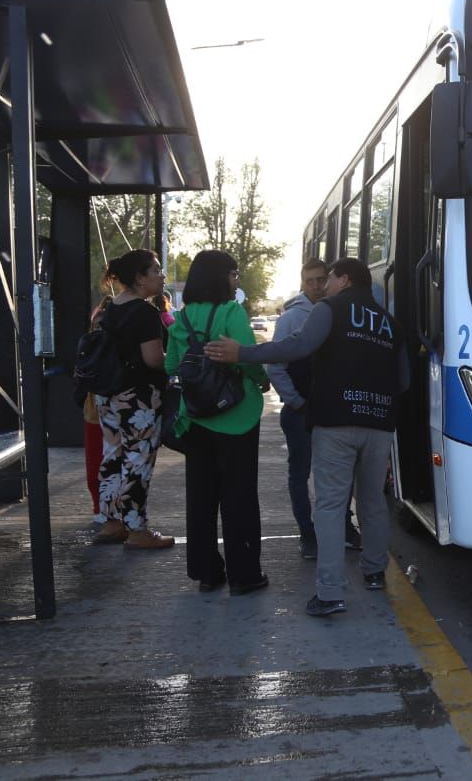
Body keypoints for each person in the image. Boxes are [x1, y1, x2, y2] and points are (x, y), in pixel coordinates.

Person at [206, 257, 408, 617]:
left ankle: (330, 594)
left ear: (344, 280)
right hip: (380, 424)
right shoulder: (391, 324)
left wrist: (244, 353)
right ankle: (375, 572)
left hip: (335, 421)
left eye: (329, 278)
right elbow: (404, 381)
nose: (325, 286)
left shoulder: (329, 309)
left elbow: (298, 346)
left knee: (330, 505)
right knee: (373, 502)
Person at [165, 250, 271, 595]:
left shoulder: (181, 318)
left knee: (201, 497)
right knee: (239, 497)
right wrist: (262, 380)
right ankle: (245, 575)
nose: (236, 279)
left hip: (194, 418)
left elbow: (170, 367)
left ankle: (207, 572)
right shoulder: (231, 311)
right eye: (234, 273)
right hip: (236, 418)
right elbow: (247, 357)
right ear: (221, 276)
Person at [266, 259, 363, 560]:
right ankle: (307, 535)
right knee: (301, 473)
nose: (318, 286)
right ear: (302, 282)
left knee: (339, 472)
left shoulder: (342, 313)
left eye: (322, 279)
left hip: (334, 412)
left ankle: (343, 526)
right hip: (301, 413)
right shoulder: (292, 318)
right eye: (311, 281)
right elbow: (275, 366)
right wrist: (296, 401)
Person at [91, 250, 173, 549]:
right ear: (140, 278)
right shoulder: (144, 312)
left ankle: (111, 523)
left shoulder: (109, 309)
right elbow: (153, 359)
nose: (161, 276)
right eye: (156, 270)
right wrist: (175, 362)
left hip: (107, 394)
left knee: (112, 456)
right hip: (138, 398)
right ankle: (137, 530)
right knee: (138, 460)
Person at [83, 295, 112, 522]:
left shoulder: (89, 342)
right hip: (107, 406)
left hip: (94, 408)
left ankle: (100, 508)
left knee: (96, 461)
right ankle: (105, 508)